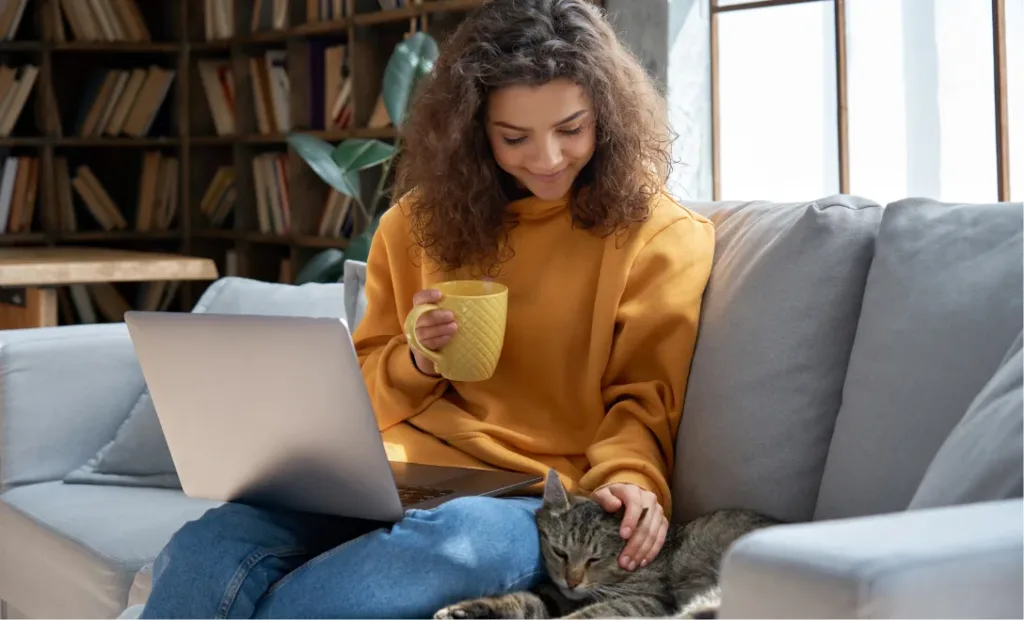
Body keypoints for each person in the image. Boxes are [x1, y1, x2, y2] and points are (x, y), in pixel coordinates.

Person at [137, 0, 715, 617]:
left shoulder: (658, 236)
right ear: (473, 131)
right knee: (208, 545)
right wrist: (417, 361)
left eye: (571, 129)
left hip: (531, 495)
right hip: (393, 472)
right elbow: (354, 396)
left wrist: (631, 480)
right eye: (514, 137)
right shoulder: (414, 225)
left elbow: (644, 397)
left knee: (449, 550)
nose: (547, 158)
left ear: (608, 115)